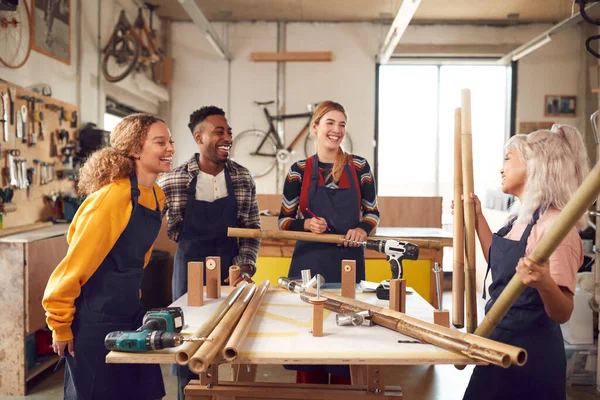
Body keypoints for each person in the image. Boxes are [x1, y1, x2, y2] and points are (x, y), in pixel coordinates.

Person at [42, 113, 174, 400]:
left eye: (170, 142)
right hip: (94, 319)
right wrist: (60, 325)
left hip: (130, 311)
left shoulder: (156, 196)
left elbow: (138, 259)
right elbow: (73, 267)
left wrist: (132, 292)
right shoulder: (111, 198)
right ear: (136, 149)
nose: (170, 149)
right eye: (160, 142)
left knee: (142, 393)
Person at [461, 124, 589, 400]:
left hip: (530, 357)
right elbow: (500, 265)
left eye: (508, 159)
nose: (501, 168)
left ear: (534, 166)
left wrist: (544, 283)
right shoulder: (517, 220)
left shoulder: (556, 227)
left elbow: (562, 311)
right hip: (497, 342)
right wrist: (477, 218)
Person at [157, 105, 261, 400]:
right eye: (219, 131)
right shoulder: (173, 180)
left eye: (228, 131)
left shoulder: (242, 177)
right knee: (187, 345)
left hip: (231, 272)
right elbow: (174, 230)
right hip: (189, 271)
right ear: (199, 137)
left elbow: (252, 229)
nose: (227, 136)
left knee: (232, 345)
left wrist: (243, 269)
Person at [278, 100, 380, 384]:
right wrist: (306, 224)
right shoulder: (297, 170)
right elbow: (283, 221)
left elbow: (372, 212)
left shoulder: (360, 167)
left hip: (348, 266)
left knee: (347, 341)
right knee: (309, 347)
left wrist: (362, 229)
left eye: (342, 124)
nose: (337, 130)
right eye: (330, 123)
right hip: (308, 267)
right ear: (315, 128)